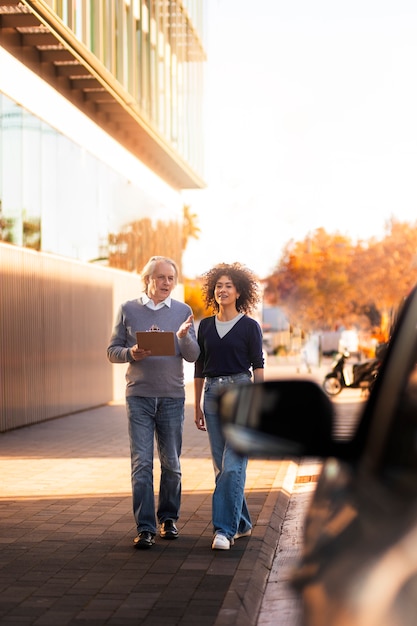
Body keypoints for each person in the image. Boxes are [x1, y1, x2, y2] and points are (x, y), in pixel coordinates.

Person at [107, 256, 200, 549]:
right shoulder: (128, 310)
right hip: (139, 396)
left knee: (171, 464)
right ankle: (145, 527)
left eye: (171, 278)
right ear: (148, 279)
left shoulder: (183, 311)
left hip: (172, 397)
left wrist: (184, 337)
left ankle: (168, 519)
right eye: (160, 277)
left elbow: (193, 355)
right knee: (142, 464)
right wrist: (130, 353)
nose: (166, 283)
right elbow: (112, 350)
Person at [194, 262, 264, 550]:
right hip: (211, 395)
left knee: (234, 466)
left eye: (228, 286)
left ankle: (224, 530)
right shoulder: (206, 326)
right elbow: (199, 366)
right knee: (222, 468)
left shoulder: (250, 327)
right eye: (218, 285)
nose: (222, 290)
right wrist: (197, 404)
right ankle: (243, 524)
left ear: (239, 292)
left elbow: (258, 366)